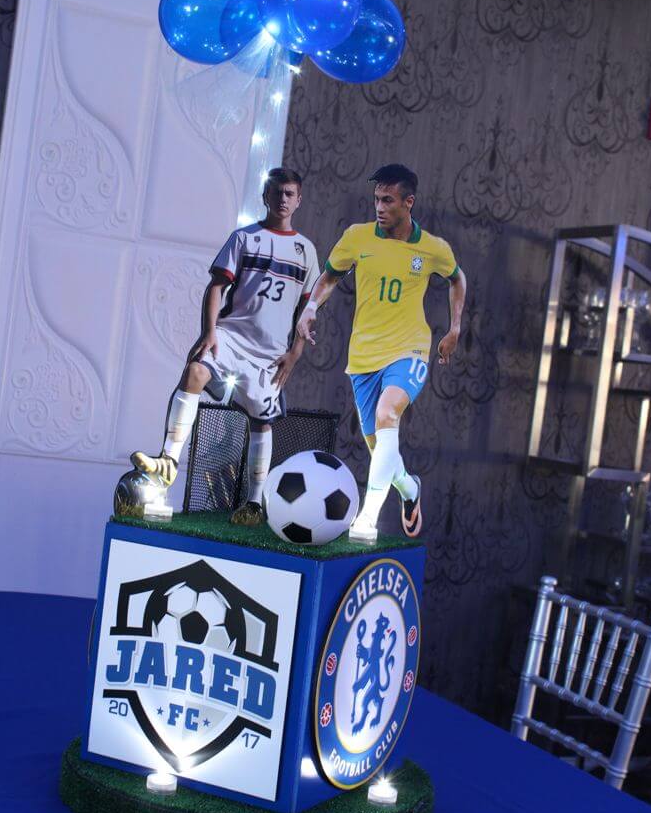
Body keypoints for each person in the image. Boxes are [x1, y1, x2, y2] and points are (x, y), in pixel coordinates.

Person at [132, 167, 319, 525]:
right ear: (265, 196)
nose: (282, 199)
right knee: (195, 371)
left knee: (261, 421)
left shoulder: (306, 251)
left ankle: (253, 503)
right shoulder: (244, 238)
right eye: (276, 192)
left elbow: (307, 310)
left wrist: (295, 352)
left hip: (271, 351)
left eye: (289, 194)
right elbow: (217, 286)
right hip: (232, 336)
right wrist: (210, 331)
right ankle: (168, 462)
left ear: (298, 200)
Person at [296, 163, 466, 543]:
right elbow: (330, 277)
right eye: (376, 199)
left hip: (410, 350)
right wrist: (310, 308)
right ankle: (409, 489)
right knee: (381, 453)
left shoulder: (432, 248)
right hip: (363, 358)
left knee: (390, 413)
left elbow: (457, 279)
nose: (379, 206)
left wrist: (454, 328)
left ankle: (368, 517)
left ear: (409, 203)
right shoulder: (357, 237)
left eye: (387, 200)